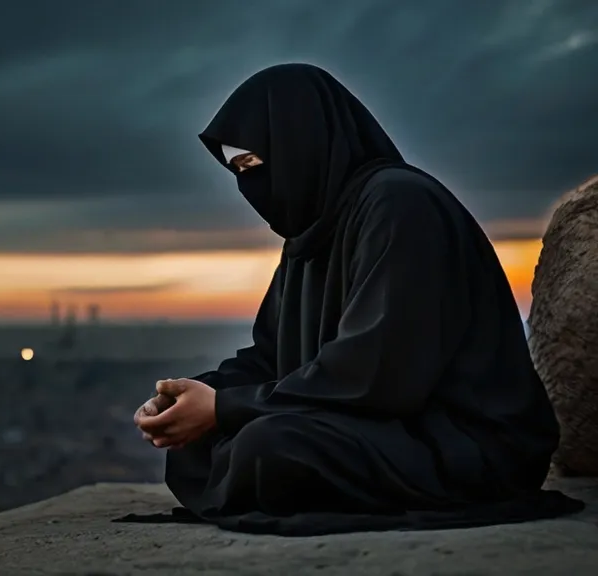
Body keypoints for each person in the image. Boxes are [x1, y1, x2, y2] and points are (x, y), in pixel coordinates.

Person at [124, 63, 584, 535]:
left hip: (458, 439)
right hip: (376, 426)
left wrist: (224, 408)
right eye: (239, 171)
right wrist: (193, 397)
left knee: (270, 445)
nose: (251, 187)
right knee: (199, 448)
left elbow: (378, 373)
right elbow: (270, 357)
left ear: (300, 143)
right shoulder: (311, 234)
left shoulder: (401, 205)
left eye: (256, 165)